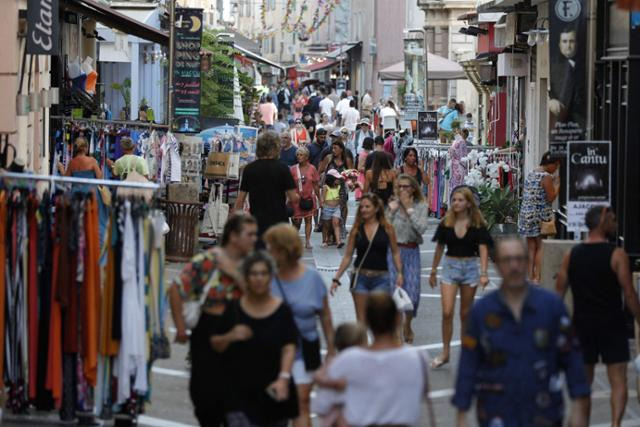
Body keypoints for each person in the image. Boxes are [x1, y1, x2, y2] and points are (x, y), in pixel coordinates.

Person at [452, 237, 590, 427]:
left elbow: (572, 357)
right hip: (496, 414)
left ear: (527, 262)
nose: (514, 266)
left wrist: (579, 407)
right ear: (498, 264)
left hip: (544, 413)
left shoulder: (551, 307)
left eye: (519, 259)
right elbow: (468, 363)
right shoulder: (482, 313)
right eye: (507, 260)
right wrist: (462, 413)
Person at [168, 213, 258, 426]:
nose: (255, 238)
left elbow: (259, 301)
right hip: (208, 331)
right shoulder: (208, 260)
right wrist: (180, 328)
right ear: (234, 236)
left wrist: (236, 276)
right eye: (250, 234)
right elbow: (177, 288)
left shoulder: (254, 265)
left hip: (240, 334)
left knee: (235, 400)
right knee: (204, 397)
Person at [556, 206, 640, 426]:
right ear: (602, 221)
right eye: (613, 219)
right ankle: (615, 424)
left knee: (584, 383)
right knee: (618, 379)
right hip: (612, 325)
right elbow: (629, 293)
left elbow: (558, 295)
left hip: (582, 325)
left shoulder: (571, 255)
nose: (616, 224)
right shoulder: (617, 255)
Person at [211, 251, 300, 427]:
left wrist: (283, 378)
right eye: (254, 274)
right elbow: (215, 344)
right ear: (246, 277)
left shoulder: (282, 310)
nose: (259, 278)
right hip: (238, 394)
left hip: (272, 392)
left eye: (263, 273)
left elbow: (289, 346)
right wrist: (231, 335)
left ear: (271, 277)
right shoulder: (234, 309)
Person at [321, 294, 434, 426]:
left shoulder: (348, 360)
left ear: (366, 322)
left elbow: (323, 405)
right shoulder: (418, 358)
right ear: (398, 319)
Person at [264, 225, 335, 427]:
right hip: (271, 352)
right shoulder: (265, 277)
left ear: (283, 250)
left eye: (271, 247)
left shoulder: (312, 279)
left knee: (301, 404)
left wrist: (331, 350)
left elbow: (326, 317)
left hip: (304, 351)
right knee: (273, 406)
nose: (267, 251)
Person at [429, 186, 492, 369]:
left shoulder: (477, 223)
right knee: (447, 312)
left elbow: (483, 248)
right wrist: (433, 270)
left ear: (468, 203)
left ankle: (467, 352)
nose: (456, 203)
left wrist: (484, 273)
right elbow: (440, 247)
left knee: (466, 314)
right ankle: (445, 352)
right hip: (450, 266)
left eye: (460, 200)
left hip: (470, 267)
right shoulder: (446, 222)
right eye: (454, 200)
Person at [330, 193, 403, 323]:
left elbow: (395, 252)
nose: (363, 209)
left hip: (382, 278)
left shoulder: (387, 229)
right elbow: (347, 256)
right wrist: (336, 278)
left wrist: (400, 273)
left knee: (379, 318)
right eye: (362, 207)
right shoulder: (356, 230)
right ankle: (363, 343)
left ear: (376, 208)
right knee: (361, 320)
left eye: (367, 206)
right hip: (360, 278)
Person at [235, 132, 299, 246]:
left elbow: (240, 201)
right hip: (278, 222)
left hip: (257, 222)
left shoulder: (249, 169)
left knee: (259, 256)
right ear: (275, 148)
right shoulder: (283, 168)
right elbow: (293, 198)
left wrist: (237, 224)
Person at [386, 174, 429, 343]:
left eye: (406, 187)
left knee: (413, 295)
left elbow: (421, 228)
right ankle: (397, 331)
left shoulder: (420, 206)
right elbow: (384, 228)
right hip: (393, 250)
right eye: (400, 187)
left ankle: (407, 324)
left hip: (411, 251)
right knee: (393, 292)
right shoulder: (392, 205)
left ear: (413, 189)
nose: (403, 190)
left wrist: (409, 209)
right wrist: (392, 210)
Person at [312, 323, 368, 427]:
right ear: (363, 344)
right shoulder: (366, 364)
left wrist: (326, 382)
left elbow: (321, 404)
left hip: (334, 416)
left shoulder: (332, 366)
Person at [518, 151, 560, 282]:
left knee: (531, 247)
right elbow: (551, 197)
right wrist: (558, 184)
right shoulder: (546, 176)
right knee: (541, 246)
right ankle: (537, 277)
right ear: (551, 164)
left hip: (527, 215)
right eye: (556, 166)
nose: (556, 170)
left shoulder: (532, 172)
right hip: (539, 217)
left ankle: (530, 277)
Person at [549, 27, 585, 126]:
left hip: (582, 119)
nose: (568, 46)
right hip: (562, 122)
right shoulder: (554, 67)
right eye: (564, 41)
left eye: (571, 41)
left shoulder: (585, 66)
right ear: (559, 45)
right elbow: (551, 90)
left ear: (576, 44)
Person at [319, 140, 353, 239]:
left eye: (335, 148)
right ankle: (329, 234)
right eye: (332, 148)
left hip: (341, 188)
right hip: (329, 188)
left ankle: (340, 230)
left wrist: (351, 183)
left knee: (342, 209)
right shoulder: (328, 158)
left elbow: (351, 173)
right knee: (328, 211)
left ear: (341, 149)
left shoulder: (347, 160)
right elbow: (320, 170)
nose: (333, 150)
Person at [289, 146, 320, 250]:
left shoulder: (312, 168)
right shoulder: (293, 169)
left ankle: (307, 241)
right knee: (296, 222)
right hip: (296, 199)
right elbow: (289, 185)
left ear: (307, 156)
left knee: (308, 219)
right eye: (297, 154)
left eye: (301, 154)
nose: (299, 156)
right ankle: (294, 240)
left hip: (309, 198)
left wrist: (320, 199)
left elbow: (316, 184)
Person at [321, 170, 344, 248]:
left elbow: (340, 197)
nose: (338, 180)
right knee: (326, 226)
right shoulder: (325, 187)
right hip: (327, 208)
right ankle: (324, 240)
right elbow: (323, 198)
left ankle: (338, 241)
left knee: (336, 223)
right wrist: (322, 205)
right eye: (336, 178)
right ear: (331, 179)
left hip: (336, 208)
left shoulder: (338, 187)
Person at [448, 129, 468, 200]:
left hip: (459, 167)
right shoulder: (456, 141)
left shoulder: (461, 142)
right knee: (454, 186)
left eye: (457, 131)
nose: (455, 132)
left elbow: (463, 156)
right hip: (455, 166)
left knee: (458, 187)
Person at [355, 137, 373, 201]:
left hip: (366, 176)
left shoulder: (368, 153)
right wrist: (369, 169)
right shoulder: (363, 155)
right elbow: (359, 168)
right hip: (363, 177)